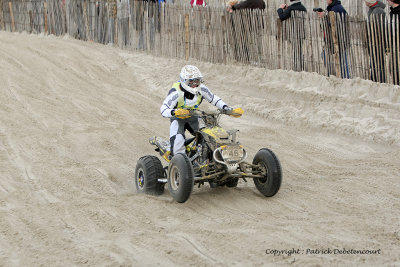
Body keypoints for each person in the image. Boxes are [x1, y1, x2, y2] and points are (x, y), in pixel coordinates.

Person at [160, 65, 235, 156]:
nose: (195, 83)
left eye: (197, 80)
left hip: (195, 116)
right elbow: (163, 109)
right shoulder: (175, 92)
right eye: (191, 81)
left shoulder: (202, 88)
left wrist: (226, 108)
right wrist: (174, 112)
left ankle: (209, 156)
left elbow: (213, 98)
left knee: (211, 136)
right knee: (177, 145)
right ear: (184, 80)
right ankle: (179, 162)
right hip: (178, 118)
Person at [316, 0, 350, 79]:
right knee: (340, 59)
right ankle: (340, 76)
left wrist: (324, 17)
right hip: (337, 39)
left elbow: (331, 24)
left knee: (342, 60)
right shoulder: (334, 8)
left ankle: (343, 77)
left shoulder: (335, 8)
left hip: (338, 39)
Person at [364, 0, 386, 83]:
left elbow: (379, 28)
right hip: (372, 41)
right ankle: (374, 80)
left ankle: (380, 81)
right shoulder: (372, 9)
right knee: (373, 62)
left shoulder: (378, 11)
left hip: (377, 42)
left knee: (378, 63)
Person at [387, 0, 400, 84]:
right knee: (392, 68)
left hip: (397, 44)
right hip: (394, 44)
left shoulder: (397, 13)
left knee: (395, 67)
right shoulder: (392, 12)